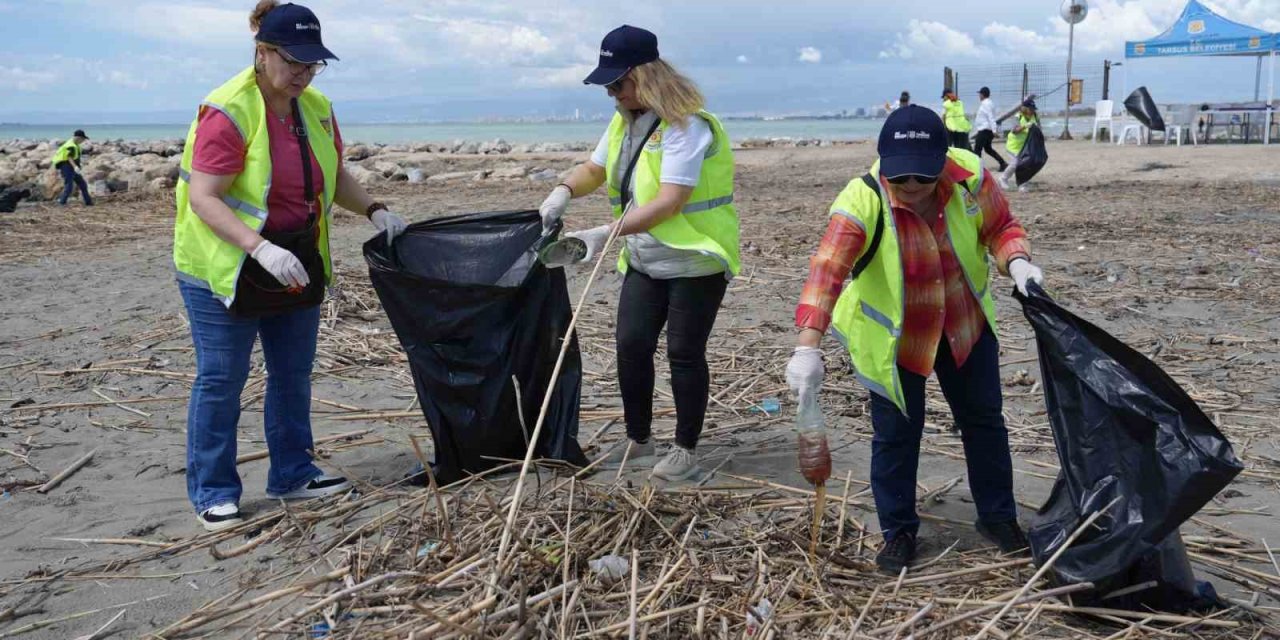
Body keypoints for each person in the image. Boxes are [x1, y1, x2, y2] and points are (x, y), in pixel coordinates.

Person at [173, 0, 407, 531]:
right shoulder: (229, 109)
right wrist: (259, 249)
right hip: (224, 265)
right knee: (221, 378)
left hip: (296, 260)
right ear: (263, 52)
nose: (303, 73)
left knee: (292, 373)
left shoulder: (317, 107)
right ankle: (213, 490)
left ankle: (293, 473)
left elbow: (333, 173)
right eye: (294, 61)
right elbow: (205, 198)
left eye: (312, 63)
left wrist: (375, 208)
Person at [785, 105, 1046, 573]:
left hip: (964, 325)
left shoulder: (968, 176)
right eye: (898, 177)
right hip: (897, 341)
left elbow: (1001, 228)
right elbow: (826, 273)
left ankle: (998, 517)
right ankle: (899, 532)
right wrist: (807, 347)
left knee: (984, 422)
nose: (908, 187)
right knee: (895, 436)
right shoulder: (862, 199)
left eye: (920, 178)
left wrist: (1019, 262)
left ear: (941, 161)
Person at [538, 25, 740, 481]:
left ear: (646, 76)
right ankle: (639, 439)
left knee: (685, 353)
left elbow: (671, 200)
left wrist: (602, 234)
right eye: (607, 85)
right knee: (631, 345)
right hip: (646, 259)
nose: (611, 94)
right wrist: (563, 191)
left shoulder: (686, 126)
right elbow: (594, 167)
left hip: (695, 259)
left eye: (617, 83)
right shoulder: (623, 121)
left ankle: (685, 448)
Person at [999, 99, 1040, 192]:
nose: (1032, 110)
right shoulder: (1018, 117)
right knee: (1015, 164)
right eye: (1030, 109)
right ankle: (1003, 179)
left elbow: (1039, 128)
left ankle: (1022, 184)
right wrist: (1025, 126)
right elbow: (1015, 131)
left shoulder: (1035, 116)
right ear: (1025, 108)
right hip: (1013, 146)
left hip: (1025, 146)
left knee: (1026, 165)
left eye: (1033, 109)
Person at [51, 129, 93, 206]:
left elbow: (78, 152)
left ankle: (89, 202)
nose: (83, 141)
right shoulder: (70, 145)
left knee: (82, 184)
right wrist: (75, 167)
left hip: (72, 167)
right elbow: (69, 157)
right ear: (79, 138)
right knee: (69, 186)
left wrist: (89, 150)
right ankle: (62, 203)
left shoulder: (75, 144)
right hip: (66, 167)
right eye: (83, 139)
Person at [972, 87, 1007, 172]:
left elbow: (991, 117)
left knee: (977, 149)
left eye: (980, 94)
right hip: (987, 130)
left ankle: (978, 169)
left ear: (983, 95)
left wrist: (994, 130)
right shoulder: (989, 103)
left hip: (985, 130)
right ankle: (1003, 163)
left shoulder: (986, 104)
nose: (979, 96)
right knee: (988, 149)